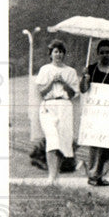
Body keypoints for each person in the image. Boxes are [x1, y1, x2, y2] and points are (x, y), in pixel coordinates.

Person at [78, 39, 109, 186]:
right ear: (97, 54)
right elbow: (83, 89)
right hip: (95, 111)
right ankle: (92, 174)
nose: (105, 55)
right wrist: (84, 78)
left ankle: (101, 174)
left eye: (107, 52)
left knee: (107, 144)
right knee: (94, 143)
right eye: (102, 52)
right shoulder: (90, 69)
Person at [35, 40, 81, 184]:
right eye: (55, 51)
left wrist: (63, 82)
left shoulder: (70, 71)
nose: (58, 54)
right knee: (52, 138)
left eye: (61, 52)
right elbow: (41, 92)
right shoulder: (45, 70)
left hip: (65, 106)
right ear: (51, 54)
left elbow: (74, 94)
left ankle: (56, 177)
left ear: (64, 54)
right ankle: (51, 176)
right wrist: (52, 82)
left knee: (62, 141)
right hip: (49, 105)